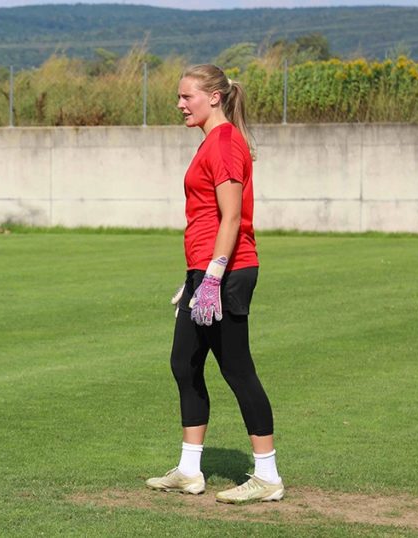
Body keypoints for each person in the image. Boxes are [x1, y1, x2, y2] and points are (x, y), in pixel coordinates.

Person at [145, 65, 283, 503]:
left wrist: (212, 278)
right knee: (184, 363)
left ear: (215, 98)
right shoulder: (212, 142)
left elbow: (231, 216)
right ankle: (189, 470)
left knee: (237, 369)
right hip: (204, 272)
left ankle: (267, 477)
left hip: (225, 271)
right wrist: (193, 281)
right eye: (179, 97)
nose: (180, 104)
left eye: (188, 97)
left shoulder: (224, 143)